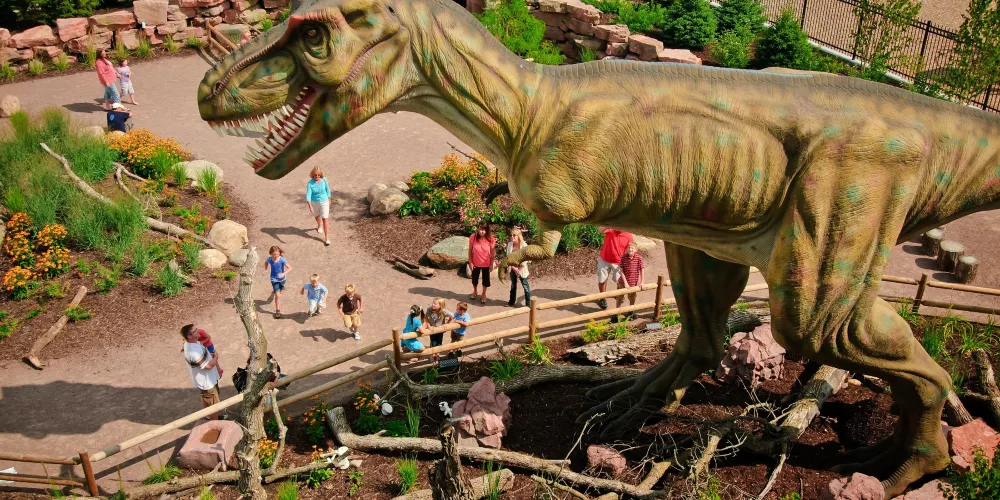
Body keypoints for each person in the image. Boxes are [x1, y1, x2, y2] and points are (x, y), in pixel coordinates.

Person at [182, 326, 221, 420]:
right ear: (189, 336)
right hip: (207, 383)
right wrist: (216, 357)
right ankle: (214, 422)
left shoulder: (193, 343)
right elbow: (208, 366)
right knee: (213, 405)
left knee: (208, 401)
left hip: (209, 379)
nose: (198, 331)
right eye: (195, 331)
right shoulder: (193, 352)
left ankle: (209, 417)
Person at [596, 228, 633, 310]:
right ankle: (602, 298)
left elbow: (630, 249)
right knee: (602, 279)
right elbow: (600, 230)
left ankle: (619, 294)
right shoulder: (610, 230)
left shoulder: (628, 235)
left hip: (618, 262)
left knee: (619, 281)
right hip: (605, 259)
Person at [467, 222, 496, 304]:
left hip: (486, 263)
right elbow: (470, 250)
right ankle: (475, 291)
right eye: (480, 229)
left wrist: (491, 264)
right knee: (474, 279)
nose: (481, 232)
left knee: (485, 280)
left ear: (487, 230)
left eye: (483, 230)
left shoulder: (491, 238)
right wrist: (470, 262)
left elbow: (492, 252)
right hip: (475, 262)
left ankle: (483, 294)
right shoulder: (473, 237)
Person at [616, 242, 645, 322]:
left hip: (633, 283)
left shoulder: (639, 258)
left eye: (632, 248)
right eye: (629, 247)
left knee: (632, 297)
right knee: (619, 297)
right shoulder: (623, 258)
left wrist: (642, 282)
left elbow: (642, 269)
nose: (630, 249)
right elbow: (621, 270)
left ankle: (631, 311)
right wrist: (625, 283)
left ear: (636, 250)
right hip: (622, 282)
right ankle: (617, 312)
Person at [305, 167, 332, 246]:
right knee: (316, 216)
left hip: (324, 201)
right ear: (312, 175)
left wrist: (329, 198)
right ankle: (319, 225)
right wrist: (310, 205)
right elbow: (308, 194)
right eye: (315, 175)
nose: (317, 176)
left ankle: (327, 238)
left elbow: (327, 189)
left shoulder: (324, 179)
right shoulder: (310, 183)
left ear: (321, 174)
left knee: (325, 219)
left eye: (319, 175)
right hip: (315, 202)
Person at [505, 228, 531, 307]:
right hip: (513, 267)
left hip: (522, 268)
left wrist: (519, 270)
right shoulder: (510, 245)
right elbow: (508, 258)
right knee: (513, 285)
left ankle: (528, 304)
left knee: (525, 286)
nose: (512, 237)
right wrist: (514, 268)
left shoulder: (524, 245)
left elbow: (527, 259)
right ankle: (511, 302)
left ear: (518, 236)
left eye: (514, 235)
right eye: (511, 235)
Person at [263, 246, 292, 318]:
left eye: (277, 254)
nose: (275, 256)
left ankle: (280, 290)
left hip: (282, 279)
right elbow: (266, 262)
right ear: (270, 253)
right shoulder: (269, 259)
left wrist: (283, 274)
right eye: (274, 254)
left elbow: (290, 268)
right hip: (274, 279)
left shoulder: (282, 259)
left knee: (280, 289)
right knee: (278, 295)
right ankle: (277, 310)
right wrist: (266, 269)